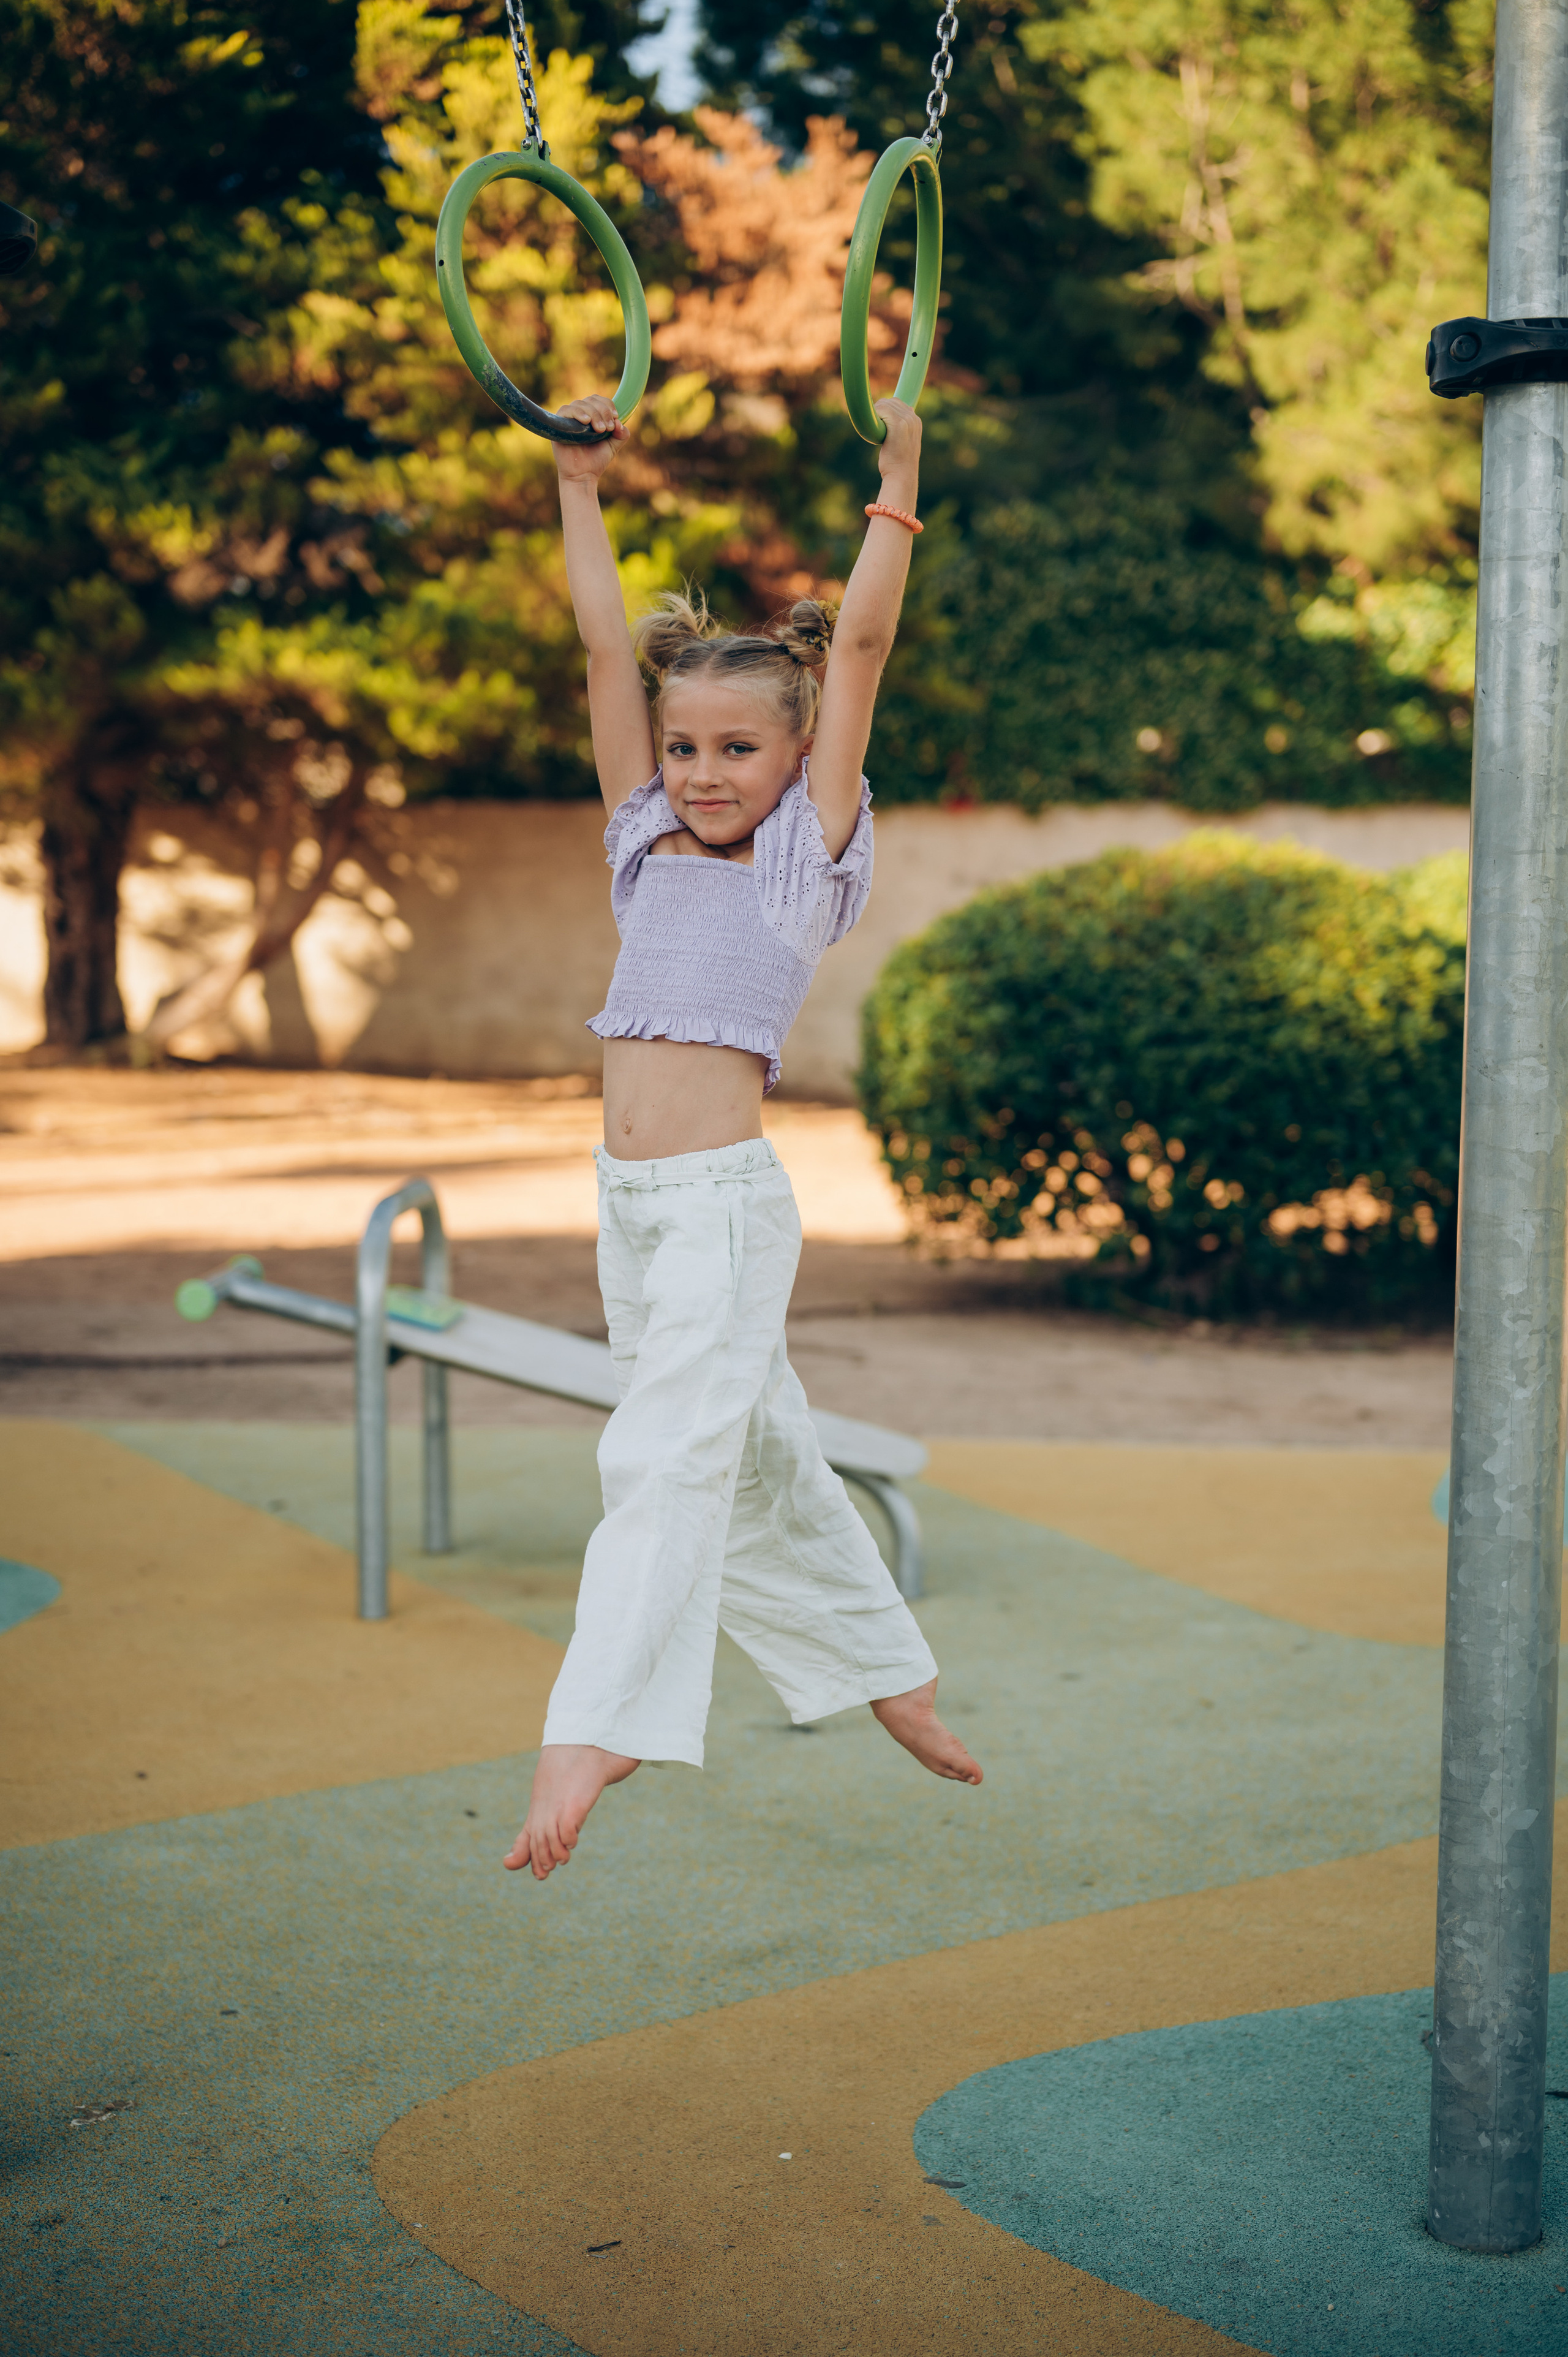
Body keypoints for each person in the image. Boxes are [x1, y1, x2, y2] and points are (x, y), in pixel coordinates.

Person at [505, 390, 982, 1882]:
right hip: (630, 1207)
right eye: (685, 746)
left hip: (717, 1207)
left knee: (662, 1453)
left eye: (737, 752)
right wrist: (577, 486)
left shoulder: (799, 867)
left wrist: (896, 483)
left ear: (790, 771)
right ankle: (879, 1667)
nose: (705, 772)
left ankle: (602, 1720)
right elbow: (599, 648)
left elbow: (856, 650)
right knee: (760, 1450)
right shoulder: (641, 838)